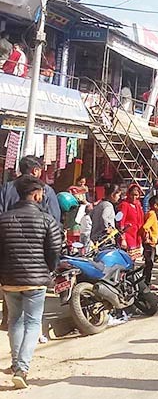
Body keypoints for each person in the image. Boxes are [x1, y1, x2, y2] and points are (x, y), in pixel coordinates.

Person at [0, 175, 62, 389]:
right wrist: (49, 270)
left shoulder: (3, 219)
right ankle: (22, 369)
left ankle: (16, 363)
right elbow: (54, 250)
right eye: (42, 193)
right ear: (35, 194)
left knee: (14, 320)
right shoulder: (47, 220)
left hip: (9, 280)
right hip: (36, 281)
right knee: (33, 322)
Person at [0, 156, 60, 222]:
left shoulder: (7, 188)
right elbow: (54, 219)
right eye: (40, 171)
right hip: (39, 228)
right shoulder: (46, 190)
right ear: (35, 171)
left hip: (8, 227)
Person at [140, 195, 158, 286]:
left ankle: (145, 283)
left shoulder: (150, 213)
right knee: (149, 264)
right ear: (155, 205)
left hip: (150, 243)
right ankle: (146, 283)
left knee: (148, 264)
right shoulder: (152, 214)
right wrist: (149, 237)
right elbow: (145, 227)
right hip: (150, 243)